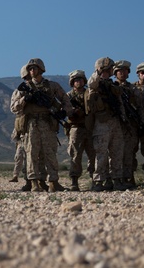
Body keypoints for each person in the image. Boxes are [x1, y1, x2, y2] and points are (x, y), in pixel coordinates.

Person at [10, 57, 69, 192]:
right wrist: (25, 99)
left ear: (41, 69)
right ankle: (33, 182)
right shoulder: (23, 89)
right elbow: (13, 108)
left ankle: (54, 181)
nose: (31, 71)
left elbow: (65, 99)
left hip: (47, 123)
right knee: (31, 153)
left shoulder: (52, 86)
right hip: (31, 124)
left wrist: (64, 112)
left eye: (34, 68)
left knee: (50, 153)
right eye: (30, 68)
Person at [86, 57, 127, 191]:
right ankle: (98, 181)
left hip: (115, 121)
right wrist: (98, 72)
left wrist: (123, 118)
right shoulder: (95, 84)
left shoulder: (113, 85)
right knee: (101, 154)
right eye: (108, 68)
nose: (110, 71)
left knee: (117, 152)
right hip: (101, 123)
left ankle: (116, 180)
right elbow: (91, 83)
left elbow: (120, 103)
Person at [113, 60, 143, 189]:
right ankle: (115, 178)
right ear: (115, 73)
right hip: (116, 124)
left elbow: (140, 106)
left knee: (130, 152)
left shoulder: (133, 89)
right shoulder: (112, 87)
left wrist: (143, 122)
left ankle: (128, 177)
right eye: (120, 71)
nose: (123, 73)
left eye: (125, 71)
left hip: (131, 125)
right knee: (115, 152)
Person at [64, 69, 93, 192]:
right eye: (76, 80)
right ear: (72, 82)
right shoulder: (68, 96)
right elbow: (64, 110)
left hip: (90, 127)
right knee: (75, 155)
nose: (78, 82)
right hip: (76, 128)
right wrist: (73, 112)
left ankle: (95, 179)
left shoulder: (89, 93)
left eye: (80, 79)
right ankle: (74, 181)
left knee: (93, 154)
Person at [10, 65, 30, 184]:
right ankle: (17, 175)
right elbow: (13, 108)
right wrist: (24, 100)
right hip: (22, 127)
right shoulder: (19, 92)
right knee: (19, 155)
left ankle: (33, 178)